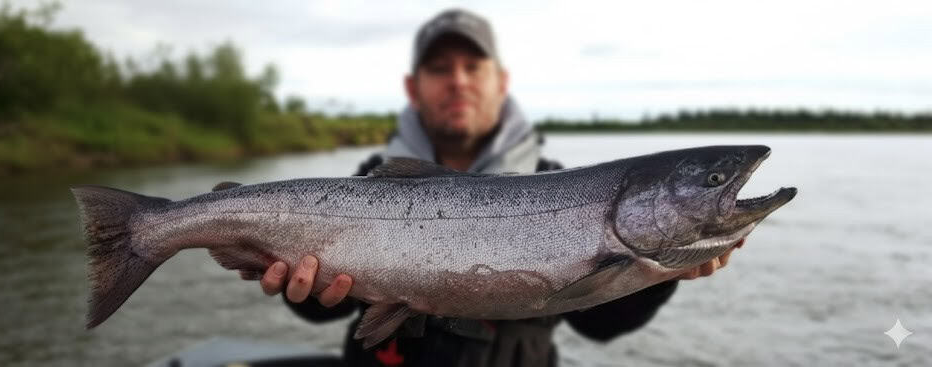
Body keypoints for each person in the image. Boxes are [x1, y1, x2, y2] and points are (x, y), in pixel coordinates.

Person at [252, 9, 739, 367]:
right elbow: (319, 317)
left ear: (500, 82)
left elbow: (600, 325)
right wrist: (309, 291)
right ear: (413, 87)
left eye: (473, 67)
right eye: (440, 69)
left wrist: (661, 275)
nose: (458, 82)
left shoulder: (558, 180)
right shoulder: (367, 182)